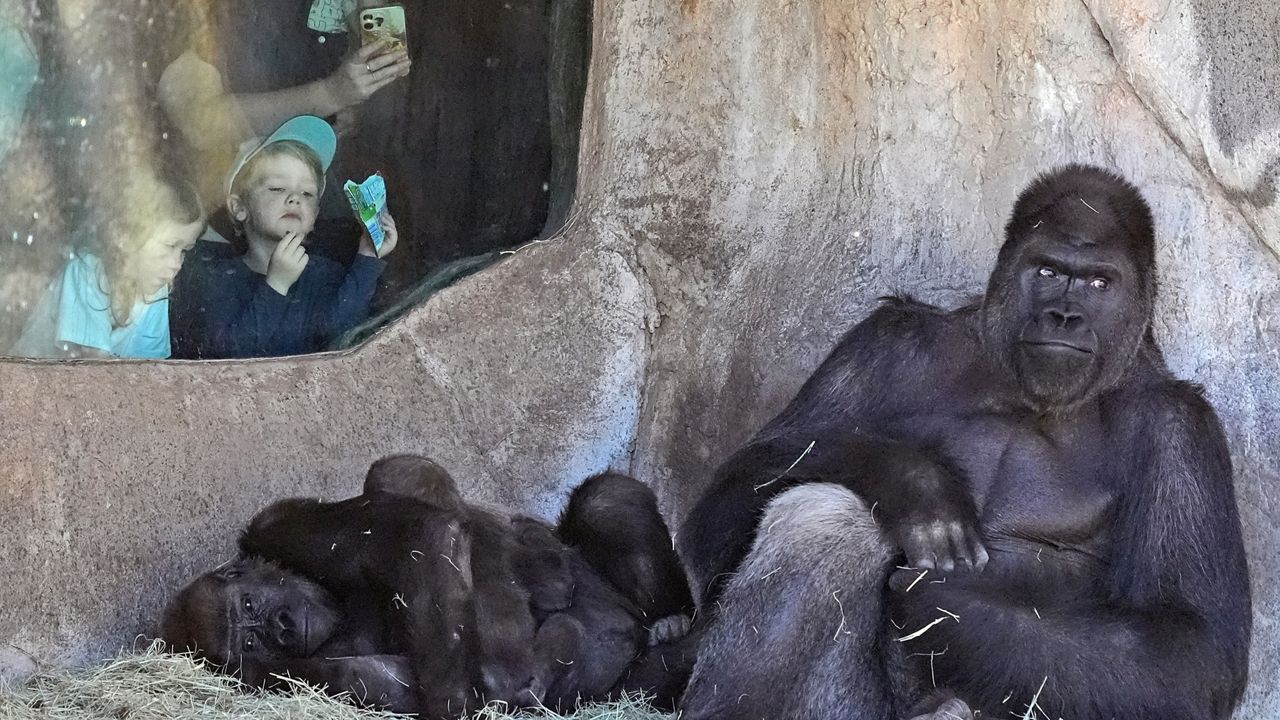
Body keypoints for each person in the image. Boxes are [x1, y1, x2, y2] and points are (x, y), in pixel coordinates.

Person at [169, 115, 398, 358]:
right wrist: (276, 286)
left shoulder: (325, 273)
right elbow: (231, 355)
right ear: (239, 207)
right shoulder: (217, 281)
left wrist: (368, 255)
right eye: (277, 188)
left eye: (307, 193)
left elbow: (342, 336)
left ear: (316, 214)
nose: (295, 198)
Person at [9, 171, 205, 359]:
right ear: (126, 237)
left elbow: (150, 368)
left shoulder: (156, 288)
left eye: (184, 250)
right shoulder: (86, 272)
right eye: (170, 246)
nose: (177, 264)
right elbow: (91, 367)